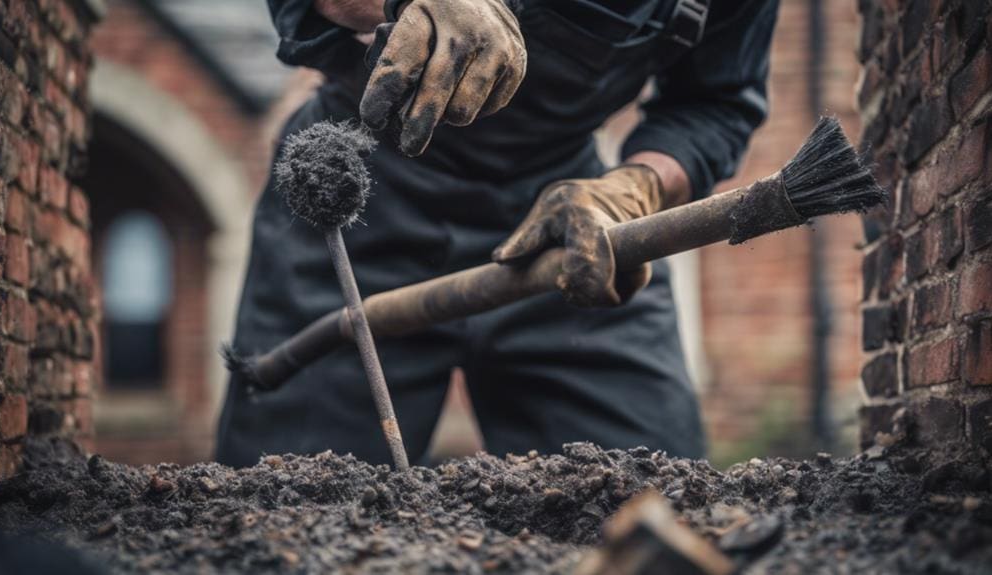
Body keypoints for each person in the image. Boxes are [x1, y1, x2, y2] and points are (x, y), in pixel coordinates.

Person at [216, 0, 779, 467]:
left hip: (564, 222)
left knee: (648, 494)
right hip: (360, 195)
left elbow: (713, 102)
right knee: (288, 500)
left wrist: (633, 189)